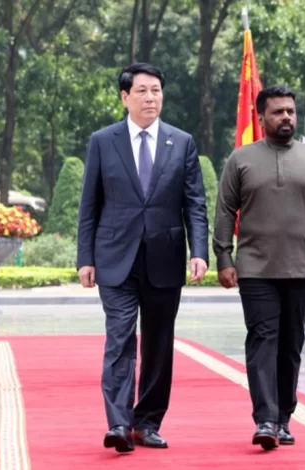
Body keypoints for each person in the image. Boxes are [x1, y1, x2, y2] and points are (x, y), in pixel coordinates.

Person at [76, 63, 209, 453]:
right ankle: (119, 423)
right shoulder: (103, 141)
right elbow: (89, 204)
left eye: (156, 91)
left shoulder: (181, 142)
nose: (151, 98)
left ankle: (147, 422)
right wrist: (85, 257)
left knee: (158, 344)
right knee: (119, 339)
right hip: (115, 257)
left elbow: (195, 203)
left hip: (165, 257)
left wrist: (199, 251)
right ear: (125, 97)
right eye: (142, 91)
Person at [213, 85, 305, 450]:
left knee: (290, 344)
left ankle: (284, 416)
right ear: (261, 118)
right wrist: (223, 257)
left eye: (290, 111)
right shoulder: (240, 159)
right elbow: (224, 211)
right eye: (278, 112)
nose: (286, 117)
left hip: (300, 268)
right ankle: (266, 420)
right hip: (255, 269)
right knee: (262, 340)